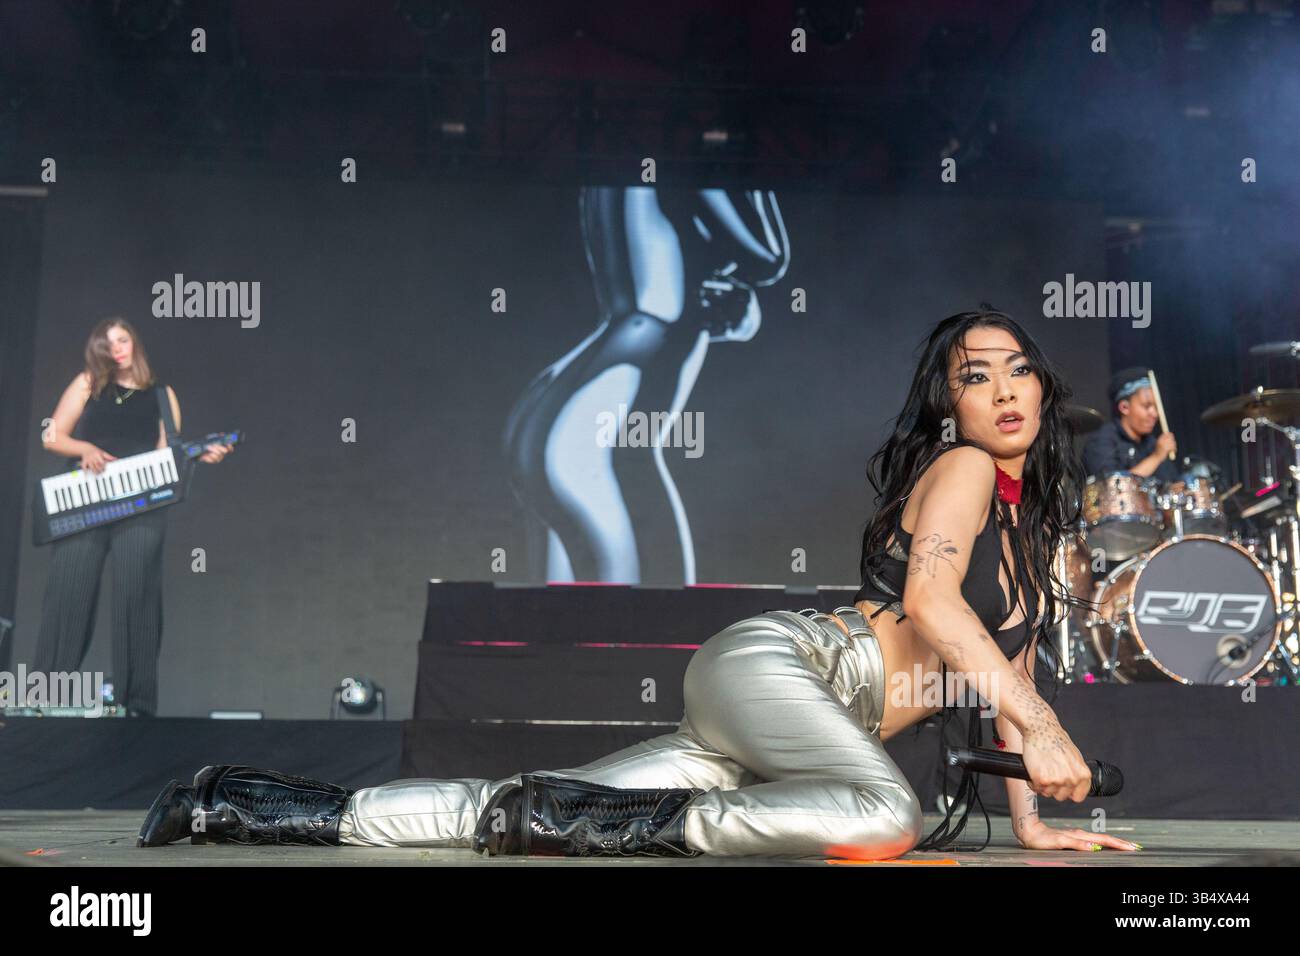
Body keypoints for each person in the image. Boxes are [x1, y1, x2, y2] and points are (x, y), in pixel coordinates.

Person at [137, 308, 1139, 857]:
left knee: (517, 810)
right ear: (948, 399)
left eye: (1017, 368)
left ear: (1043, 386)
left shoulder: (1023, 522)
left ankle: (244, 802)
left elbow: (1005, 675)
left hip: (780, 739)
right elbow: (930, 607)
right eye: (976, 373)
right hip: (789, 672)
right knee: (884, 819)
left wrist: (1035, 822)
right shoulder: (962, 471)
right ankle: (597, 826)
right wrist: (1048, 734)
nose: (1003, 388)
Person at [31, 317, 233, 717]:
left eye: (122, 340)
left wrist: (201, 455)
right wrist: (86, 448)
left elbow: (168, 453)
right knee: (68, 595)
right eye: (107, 344)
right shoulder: (89, 382)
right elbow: (52, 435)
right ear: (98, 351)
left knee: (137, 596)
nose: (117, 349)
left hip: (140, 501)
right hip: (85, 497)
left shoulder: (161, 394)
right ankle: (43, 701)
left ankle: (136, 705)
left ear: (134, 342)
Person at [1080, 366, 1181, 482]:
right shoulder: (1101, 442)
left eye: (1156, 407)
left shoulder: (1152, 443)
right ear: (1124, 407)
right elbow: (1111, 488)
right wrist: (1157, 457)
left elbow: (1171, 487)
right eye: (1146, 406)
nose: (1155, 414)